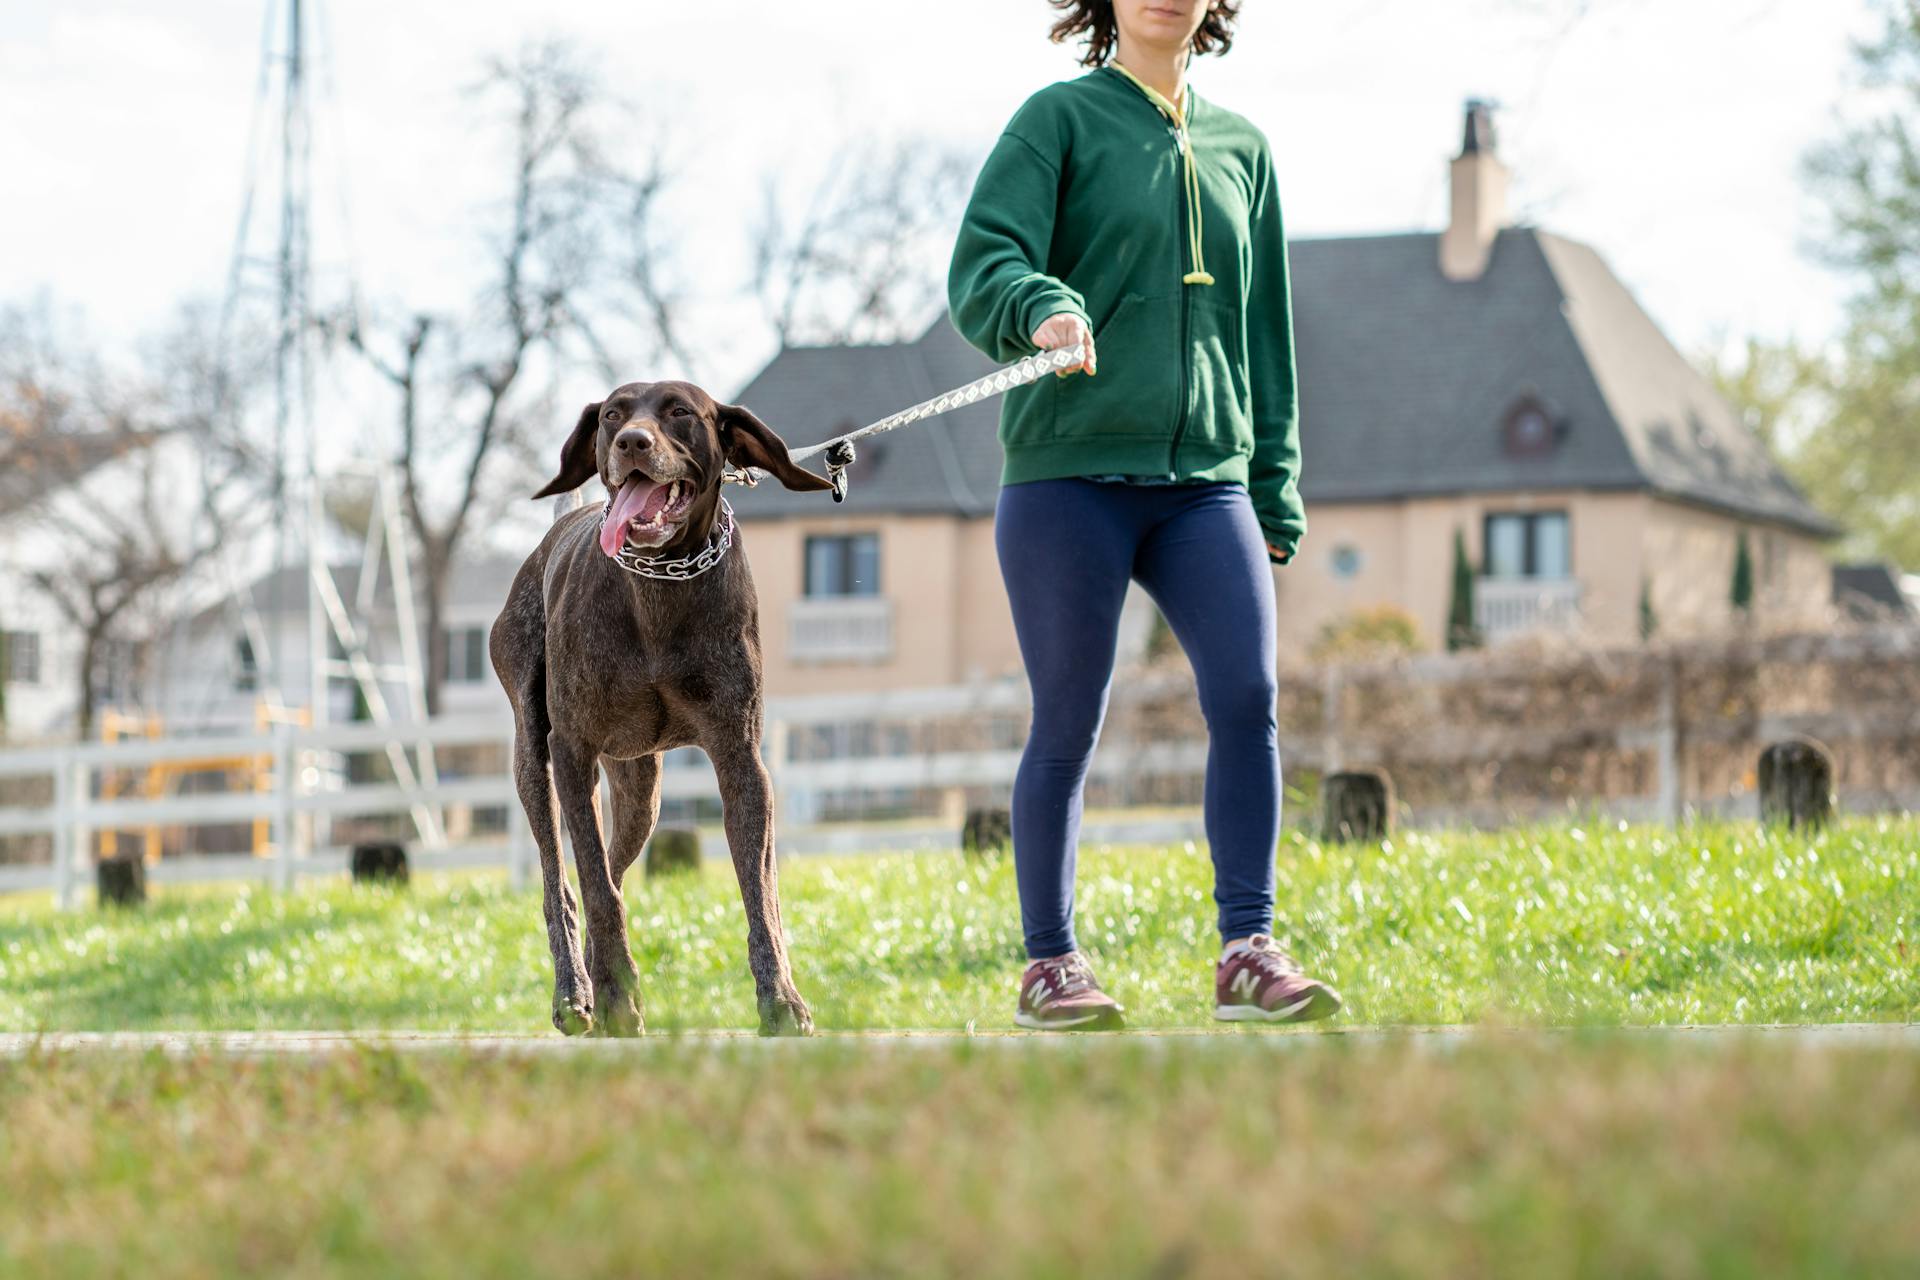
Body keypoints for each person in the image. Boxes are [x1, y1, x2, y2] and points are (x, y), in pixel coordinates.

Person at [947, 0, 1340, 1030]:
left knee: (1248, 694)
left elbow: (1267, 334)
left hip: (1208, 481)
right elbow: (982, 261)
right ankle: (1050, 964)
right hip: (1067, 477)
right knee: (1070, 717)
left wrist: (1275, 483)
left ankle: (1248, 950)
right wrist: (1042, 303)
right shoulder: (1058, 121)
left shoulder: (1243, 149)